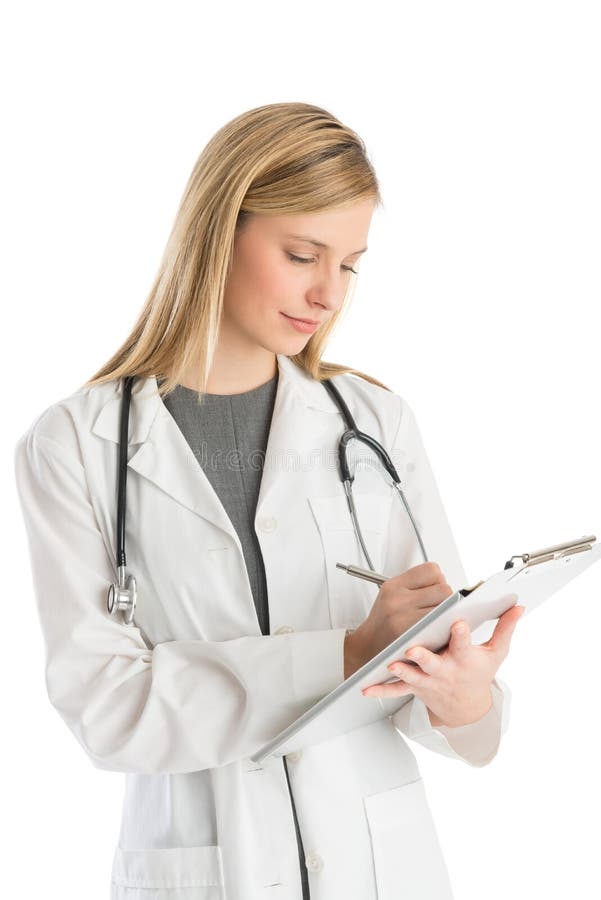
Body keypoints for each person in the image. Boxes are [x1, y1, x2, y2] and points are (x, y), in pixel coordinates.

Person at [14, 101, 523, 900]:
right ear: (219, 230)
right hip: (204, 870)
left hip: (381, 869)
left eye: (349, 264)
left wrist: (464, 699)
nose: (327, 293)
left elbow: (449, 698)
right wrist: (345, 654)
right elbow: (109, 712)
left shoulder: (375, 422)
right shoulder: (76, 444)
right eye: (301, 253)